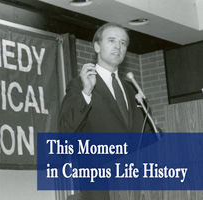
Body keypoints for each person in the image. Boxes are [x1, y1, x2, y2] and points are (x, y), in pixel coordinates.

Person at [58, 23, 153, 200]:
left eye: (123, 43)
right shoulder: (79, 85)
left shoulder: (132, 90)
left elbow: (147, 135)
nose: (118, 46)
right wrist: (86, 93)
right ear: (96, 46)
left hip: (135, 186)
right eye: (112, 40)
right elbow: (65, 129)